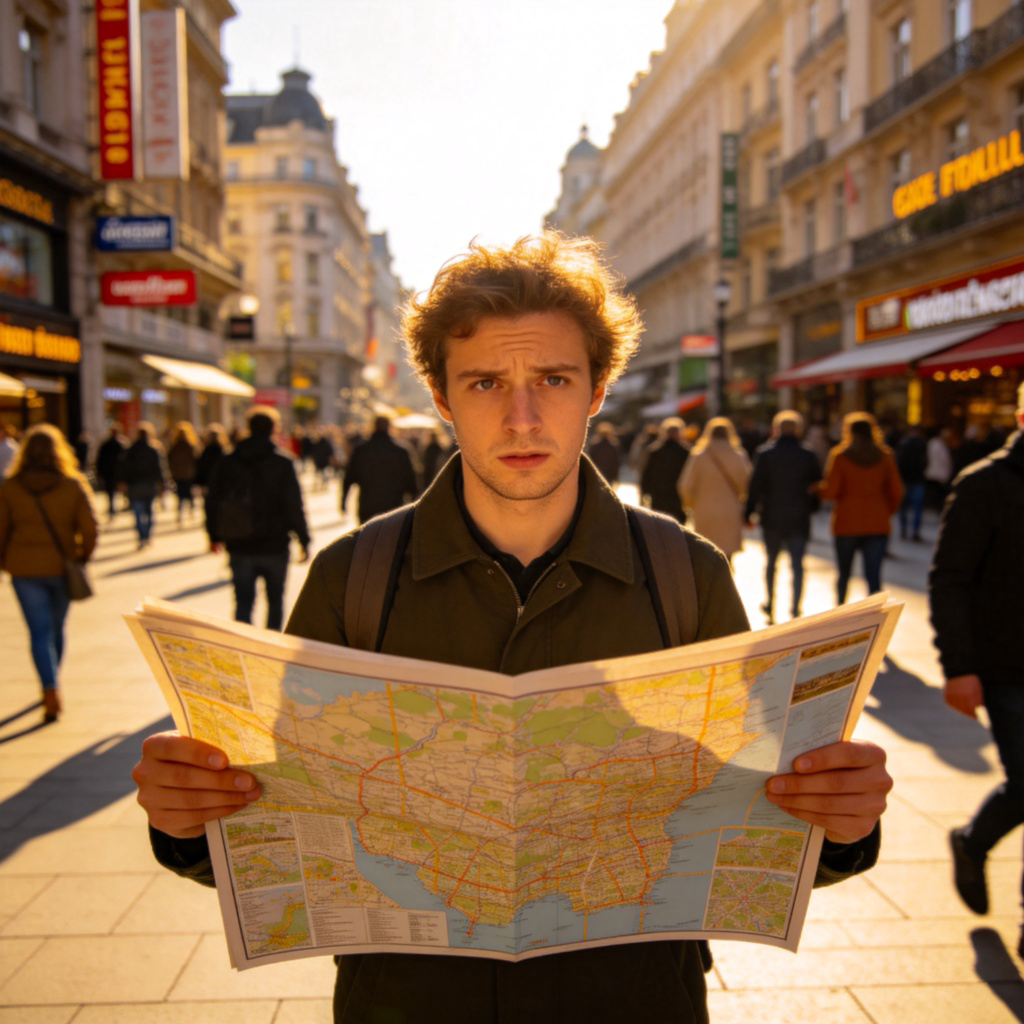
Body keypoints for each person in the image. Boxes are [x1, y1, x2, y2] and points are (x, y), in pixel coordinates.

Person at [133, 231, 892, 1024]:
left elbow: (759, 827)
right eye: (487, 382)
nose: (522, 417)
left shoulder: (685, 575)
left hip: (632, 1004)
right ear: (440, 396)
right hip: (408, 1005)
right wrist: (189, 822)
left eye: (554, 379)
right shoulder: (353, 577)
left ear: (597, 390)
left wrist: (840, 823)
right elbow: (276, 834)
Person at [930, 380, 1024, 954]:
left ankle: (973, 841)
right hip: (1008, 664)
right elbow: (950, 579)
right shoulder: (986, 483)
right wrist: (959, 666)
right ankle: (974, 840)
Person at [0, 424, 98, 722]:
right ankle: (53, 680)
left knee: (39, 632)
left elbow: (0, 529)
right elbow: (90, 528)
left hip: (23, 569)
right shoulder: (73, 484)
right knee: (56, 628)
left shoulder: (10, 487)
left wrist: (5, 560)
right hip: (61, 566)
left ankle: (49, 686)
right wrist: (82, 557)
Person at [204, 406, 310, 631]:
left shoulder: (228, 461)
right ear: (274, 429)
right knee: (275, 601)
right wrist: (304, 539)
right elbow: (294, 505)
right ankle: (271, 650)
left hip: (239, 542)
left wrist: (213, 535)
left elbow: (212, 500)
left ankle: (245, 647)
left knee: (243, 602)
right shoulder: (283, 462)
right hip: (275, 543)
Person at [744, 410, 823, 623]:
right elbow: (817, 485)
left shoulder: (766, 454)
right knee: (797, 563)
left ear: (776, 428)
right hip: (799, 516)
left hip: (772, 516)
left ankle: (771, 603)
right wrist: (811, 507)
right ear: (798, 429)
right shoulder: (808, 454)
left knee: (772, 562)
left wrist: (749, 512)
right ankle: (796, 607)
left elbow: (755, 486)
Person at [820, 412, 904, 605]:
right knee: (874, 578)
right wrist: (885, 510)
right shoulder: (885, 455)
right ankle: (876, 618)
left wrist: (817, 489)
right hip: (877, 523)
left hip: (847, 522)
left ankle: (840, 613)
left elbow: (831, 492)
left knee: (844, 574)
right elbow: (897, 491)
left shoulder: (840, 456)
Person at [679, 416, 751, 564]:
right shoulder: (738, 456)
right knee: (726, 555)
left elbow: (685, 485)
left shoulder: (699, 456)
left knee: (705, 553)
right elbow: (748, 484)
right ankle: (726, 583)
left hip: (704, 510)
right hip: (730, 511)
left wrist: (691, 505)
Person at [340, 414, 419, 523]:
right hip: (394, 509)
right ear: (389, 427)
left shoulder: (361, 450)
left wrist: (343, 502)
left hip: (367, 507)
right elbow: (411, 481)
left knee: (367, 538)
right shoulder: (401, 452)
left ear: (374, 426)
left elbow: (348, 478)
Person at [119, 422, 168, 549]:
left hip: (135, 485)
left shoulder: (131, 450)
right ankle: (147, 536)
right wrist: (163, 483)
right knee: (149, 511)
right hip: (149, 485)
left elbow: (125, 468)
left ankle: (141, 536)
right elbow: (159, 469)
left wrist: (124, 482)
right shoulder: (153, 450)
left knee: (137, 513)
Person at [639, 416, 690, 523]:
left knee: (659, 527)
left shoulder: (655, 451)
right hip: (677, 498)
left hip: (658, 497)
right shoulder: (685, 452)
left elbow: (646, 474)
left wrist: (644, 493)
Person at [895, 424, 927, 542]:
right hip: (917, 479)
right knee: (917, 507)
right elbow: (926, 461)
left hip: (905, 479)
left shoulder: (903, 443)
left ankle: (904, 528)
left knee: (904, 506)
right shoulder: (922, 444)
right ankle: (915, 531)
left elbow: (898, 461)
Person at [166, 421, 200, 525]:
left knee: (181, 494)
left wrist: (172, 473)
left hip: (178, 475)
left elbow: (170, 461)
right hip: (189, 474)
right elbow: (196, 460)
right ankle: (191, 510)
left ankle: (181, 513)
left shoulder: (174, 447)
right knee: (188, 492)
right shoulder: (190, 446)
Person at [94, 423, 127, 518]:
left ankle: (112, 506)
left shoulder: (108, 444)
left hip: (109, 472)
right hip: (114, 472)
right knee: (113, 490)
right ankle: (112, 506)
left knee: (110, 490)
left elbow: (100, 459)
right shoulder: (120, 444)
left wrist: (99, 471)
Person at [194, 422, 230, 495]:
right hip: (220, 481)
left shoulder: (205, 451)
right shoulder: (224, 451)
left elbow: (201, 467)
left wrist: (199, 481)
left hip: (208, 481)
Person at [587, 420, 622, 485]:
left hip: (596, 472)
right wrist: (616, 476)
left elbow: (590, 459)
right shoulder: (613, 445)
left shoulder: (595, 445)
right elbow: (616, 462)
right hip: (609, 474)